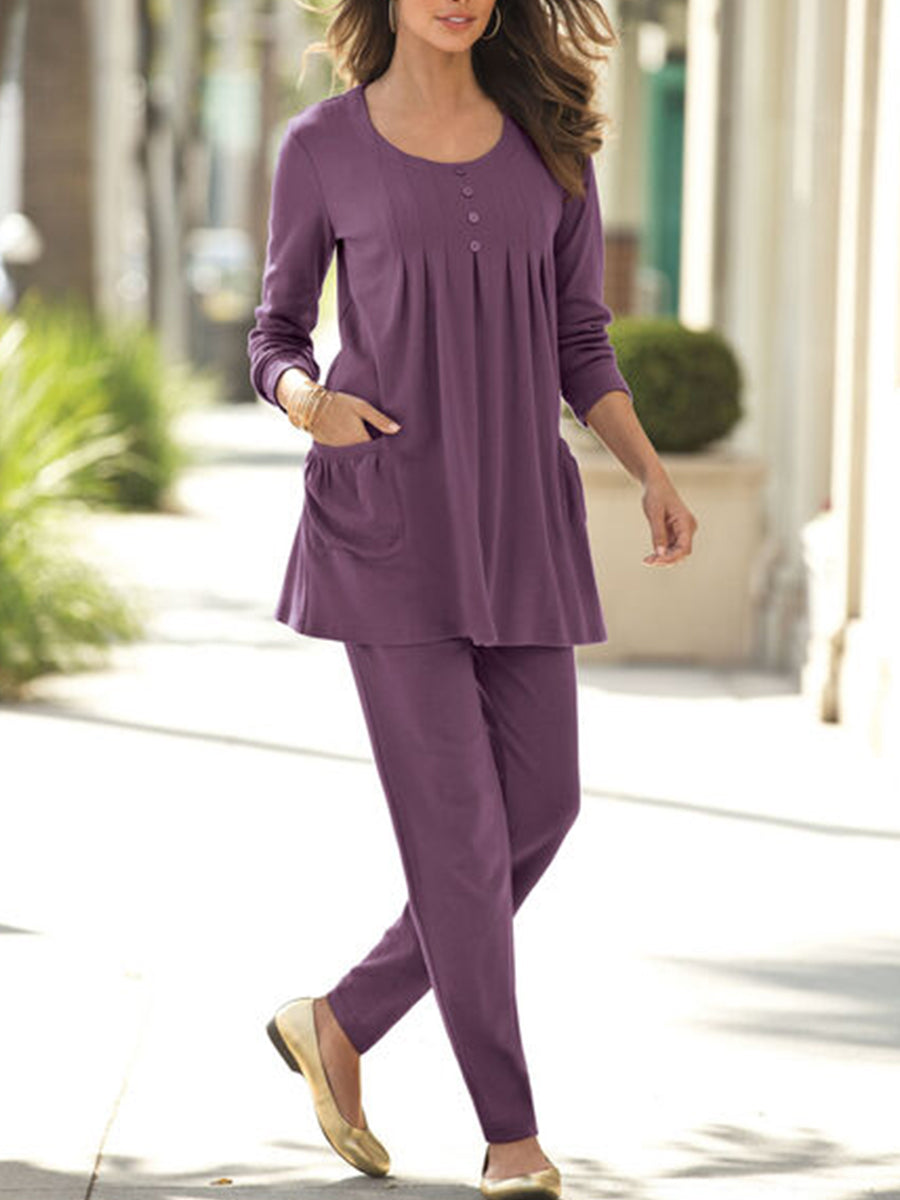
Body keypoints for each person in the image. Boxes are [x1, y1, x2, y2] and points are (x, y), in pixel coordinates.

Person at [247, 0, 698, 1194]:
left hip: (521, 526)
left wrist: (649, 471)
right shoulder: (322, 147)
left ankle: (339, 1021)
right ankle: (512, 1136)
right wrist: (307, 403)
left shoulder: (551, 143)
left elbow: (581, 339)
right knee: (457, 835)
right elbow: (274, 332)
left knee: (542, 805)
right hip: (387, 527)